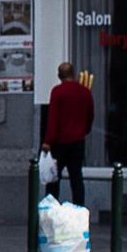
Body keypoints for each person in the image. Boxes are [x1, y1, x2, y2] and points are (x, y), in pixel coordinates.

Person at [43, 61, 94, 205]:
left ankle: (51, 208)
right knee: (76, 178)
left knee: (53, 179)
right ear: (73, 73)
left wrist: (48, 141)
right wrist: (84, 130)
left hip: (60, 142)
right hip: (78, 141)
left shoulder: (57, 92)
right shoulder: (85, 92)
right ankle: (79, 209)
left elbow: (53, 119)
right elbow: (90, 115)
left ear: (60, 75)